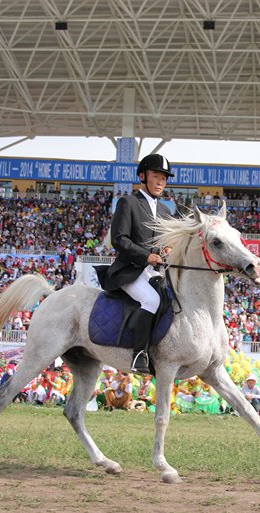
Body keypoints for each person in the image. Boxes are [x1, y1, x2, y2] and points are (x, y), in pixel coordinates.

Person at [103, 154, 173, 374]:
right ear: (142, 176)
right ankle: (139, 355)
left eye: (164, 178)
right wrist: (146, 256)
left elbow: (164, 242)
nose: (161, 182)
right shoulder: (128, 202)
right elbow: (120, 239)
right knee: (151, 299)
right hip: (130, 270)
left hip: (155, 272)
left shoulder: (165, 210)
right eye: (156, 176)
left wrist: (166, 249)